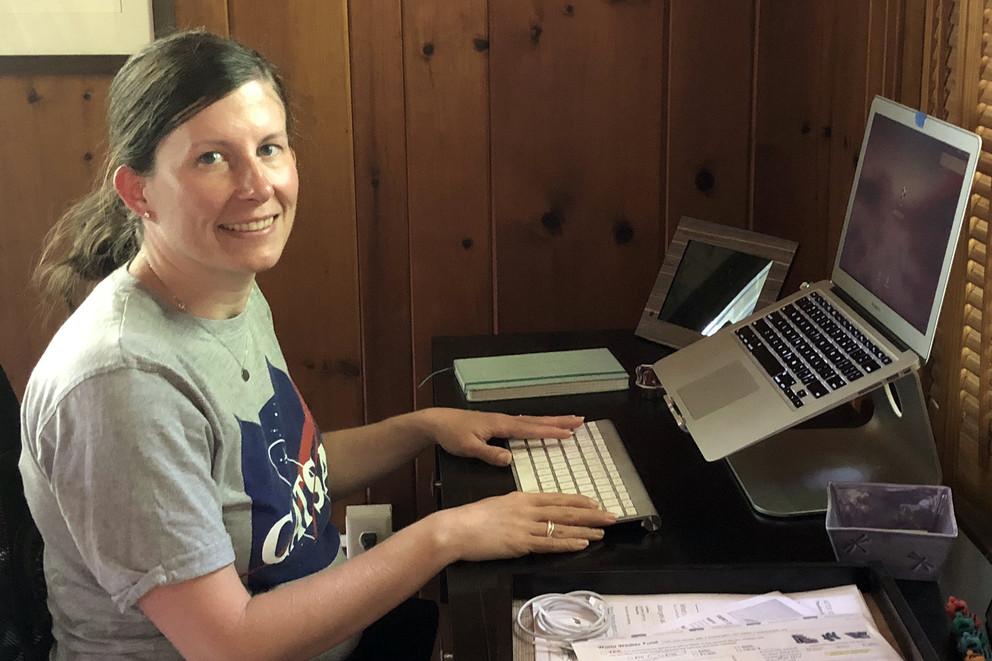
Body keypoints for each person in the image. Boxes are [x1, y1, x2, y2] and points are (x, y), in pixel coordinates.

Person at [19, 30, 616, 661]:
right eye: (211, 159)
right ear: (138, 192)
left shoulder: (228, 292)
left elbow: (276, 483)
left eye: (268, 148)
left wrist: (422, 426)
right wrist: (445, 535)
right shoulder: (123, 384)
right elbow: (229, 643)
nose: (256, 187)